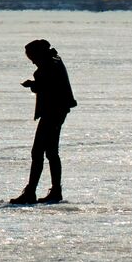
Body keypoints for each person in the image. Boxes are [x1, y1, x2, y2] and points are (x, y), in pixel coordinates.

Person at [11, 39, 78, 205]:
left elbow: (49, 85)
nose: (32, 61)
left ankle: (33, 191)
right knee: (49, 152)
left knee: (40, 152)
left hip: (53, 112)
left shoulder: (51, 63)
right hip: (55, 111)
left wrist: (33, 85)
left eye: (32, 57)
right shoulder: (52, 61)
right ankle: (52, 190)